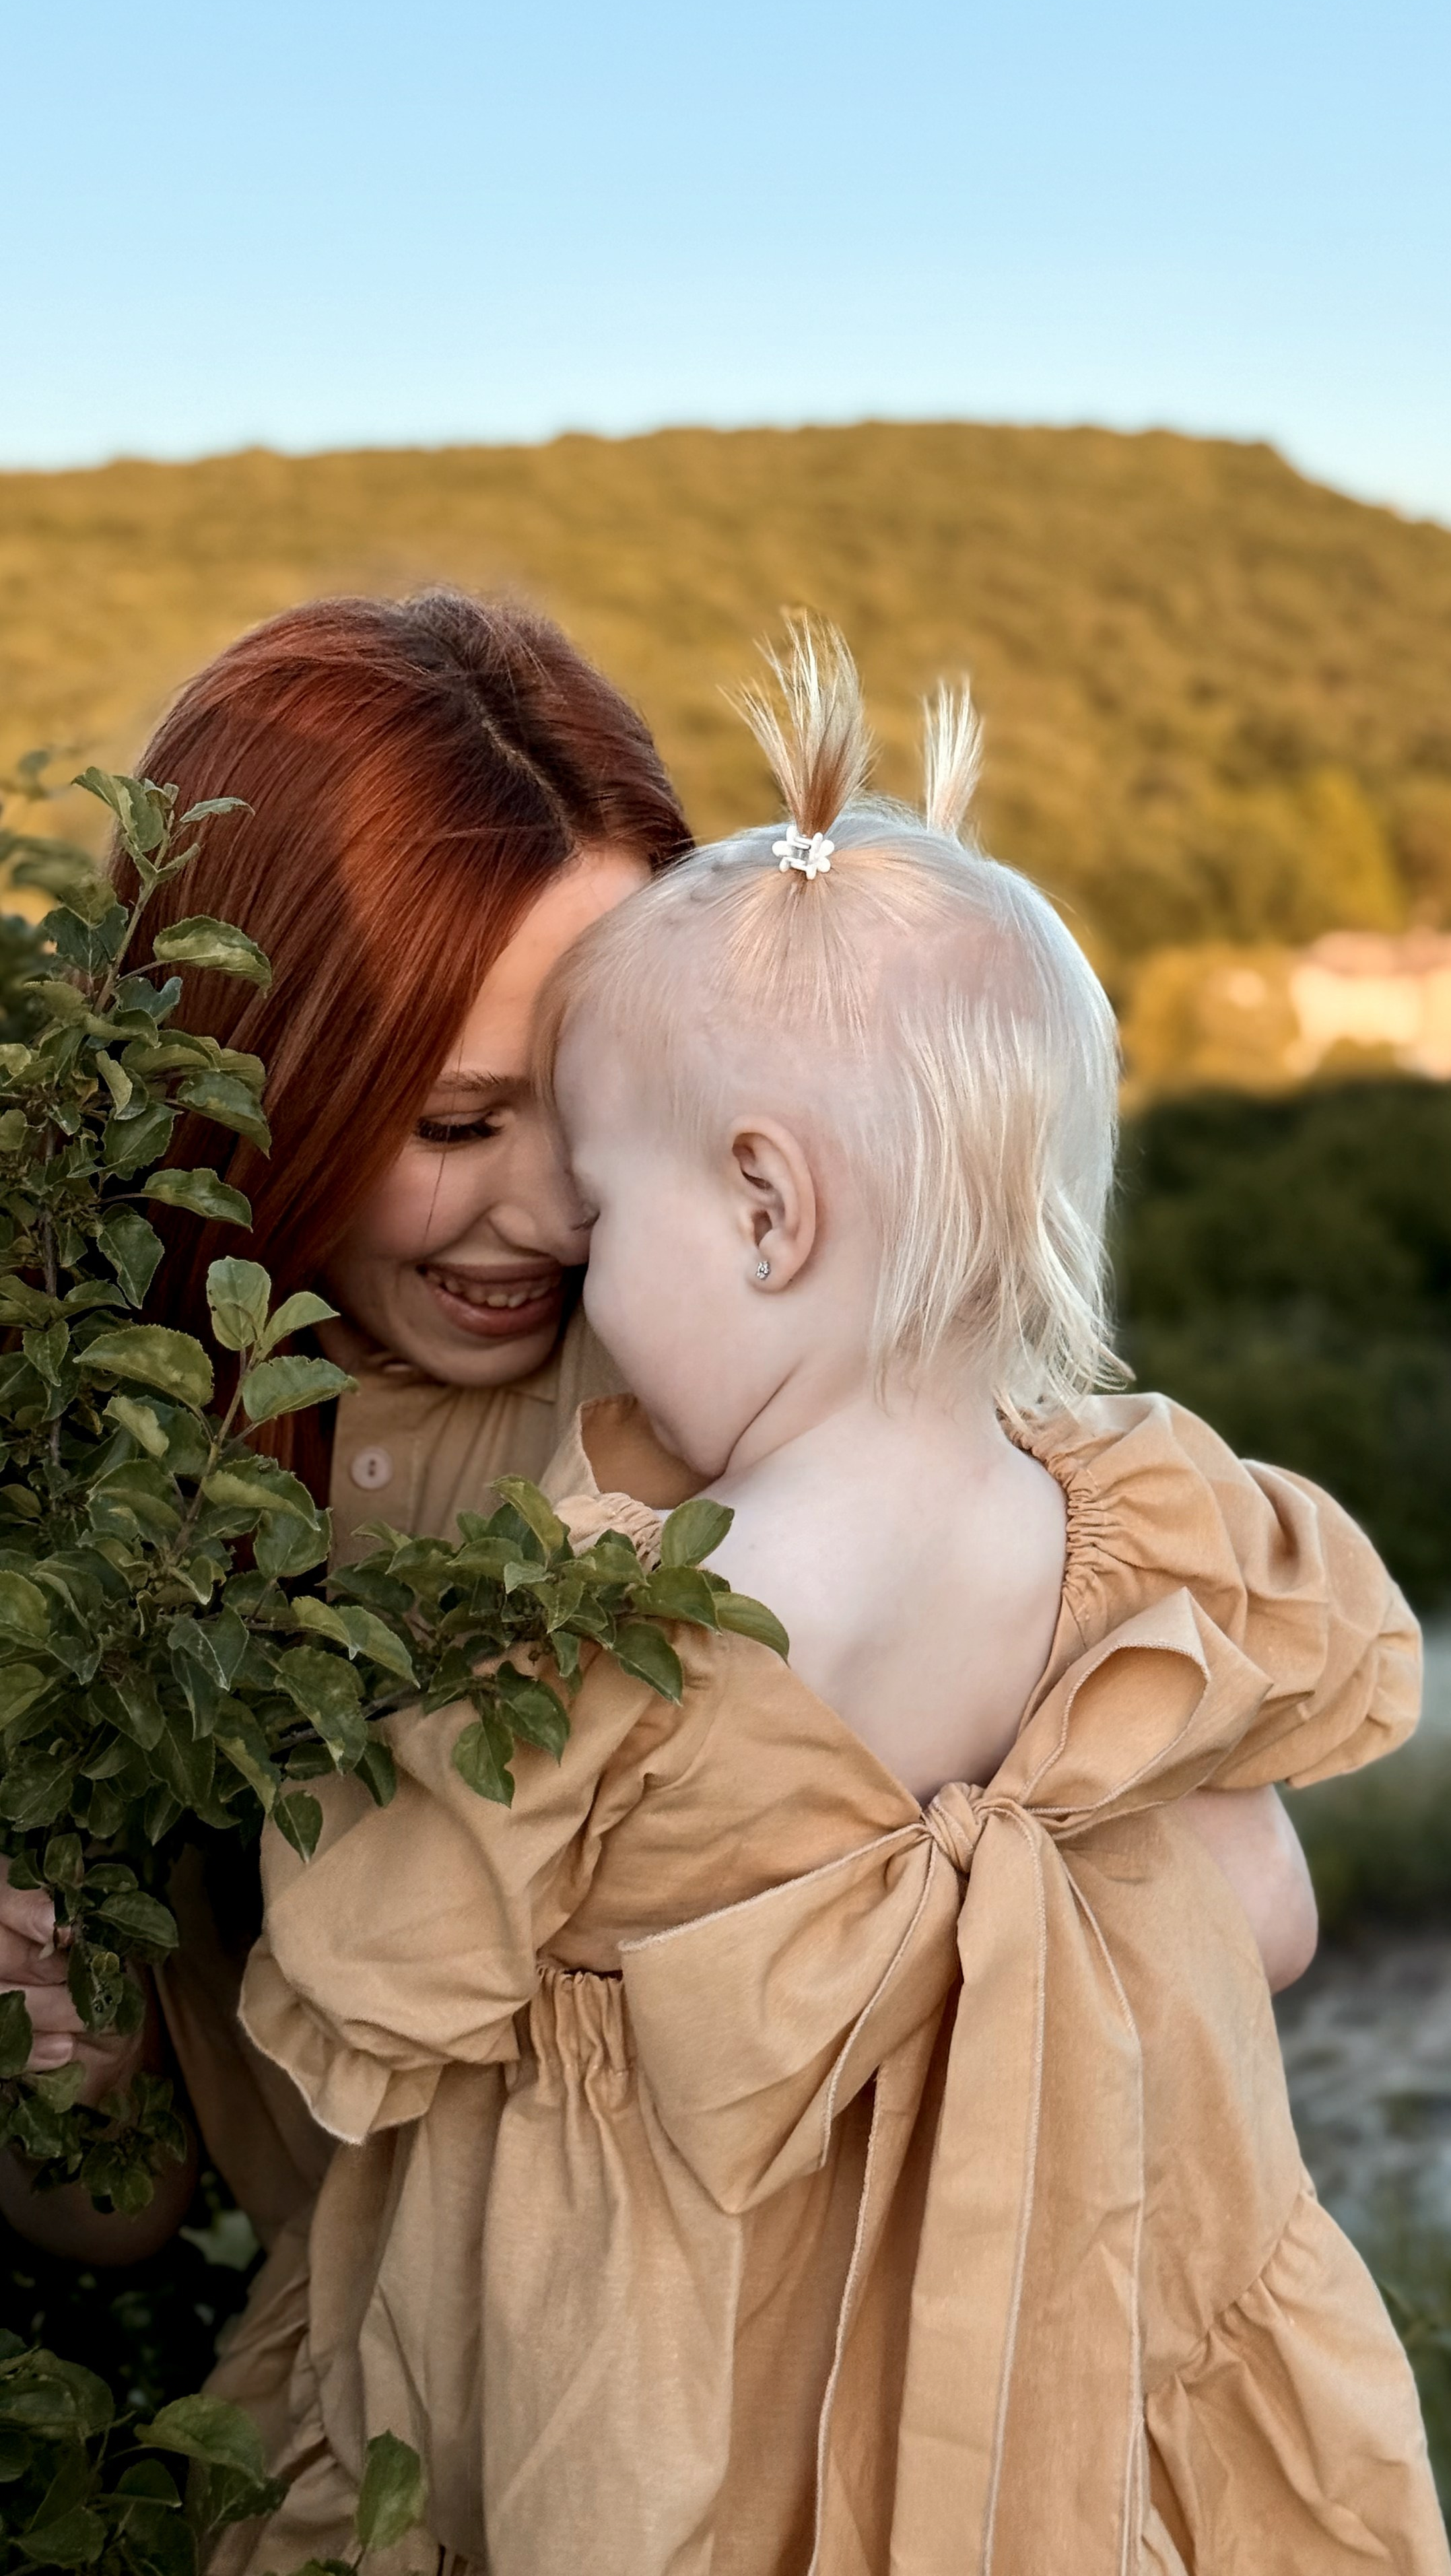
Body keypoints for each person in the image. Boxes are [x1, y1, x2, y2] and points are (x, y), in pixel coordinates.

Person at [220, 628, 1445, 2573]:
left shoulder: (629, 1623)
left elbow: (372, 1974)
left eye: (608, 1208)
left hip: (664, 2446)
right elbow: (1271, 1916)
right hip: (1058, 2409)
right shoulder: (1128, 1525)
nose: (563, 1245)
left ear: (767, 1208)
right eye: (469, 1126)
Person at [0, 594, 1316, 2280]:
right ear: (248, 1079)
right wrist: (77, 2055)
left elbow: (1239, 1917)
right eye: (457, 1121)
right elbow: (112, 2217)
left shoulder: (759, 1393)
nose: (556, 1212)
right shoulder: (95, 1462)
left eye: (621, 1112)